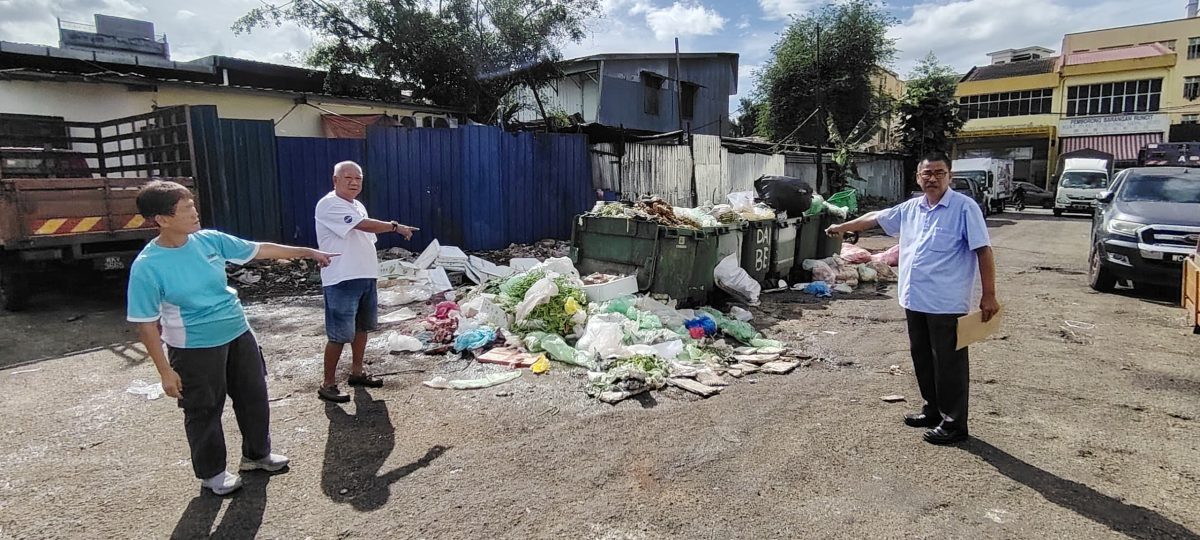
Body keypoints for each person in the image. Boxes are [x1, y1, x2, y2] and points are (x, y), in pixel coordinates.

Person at [127, 180, 337, 495]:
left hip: (238, 333)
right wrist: (164, 371)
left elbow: (259, 249)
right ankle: (212, 474)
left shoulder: (208, 240)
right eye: (186, 209)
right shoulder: (147, 266)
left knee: (253, 394)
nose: (195, 213)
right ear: (162, 219)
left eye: (193, 205)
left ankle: (257, 455)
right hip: (194, 347)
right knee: (204, 409)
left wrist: (307, 251)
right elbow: (146, 325)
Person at [826, 152, 999, 445]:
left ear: (949, 176)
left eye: (939, 173)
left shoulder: (964, 208)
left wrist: (989, 295)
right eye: (926, 174)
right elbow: (875, 218)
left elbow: (983, 251)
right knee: (923, 357)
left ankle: (955, 423)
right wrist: (843, 227)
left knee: (949, 363)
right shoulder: (912, 208)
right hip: (914, 297)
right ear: (918, 178)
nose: (932, 178)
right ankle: (933, 410)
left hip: (946, 300)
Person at [314, 161, 414, 403]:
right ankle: (328, 384)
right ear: (335, 180)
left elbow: (364, 234)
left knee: (362, 328)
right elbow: (362, 225)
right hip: (341, 278)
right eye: (347, 177)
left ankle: (357, 372)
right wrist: (395, 227)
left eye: (358, 178)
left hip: (365, 275)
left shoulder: (357, 205)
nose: (354, 182)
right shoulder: (329, 204)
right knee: (339, 335)